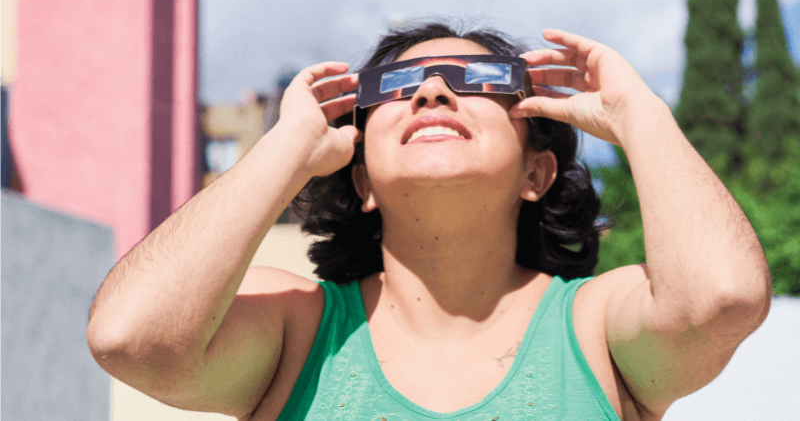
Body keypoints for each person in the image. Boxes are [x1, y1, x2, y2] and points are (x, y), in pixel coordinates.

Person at [87, 21, 772, 420]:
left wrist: (640, 114)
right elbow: (131, 338)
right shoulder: (295, 331)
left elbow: (720, 300)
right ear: (363, 183)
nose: (434, 92)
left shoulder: (597, 325)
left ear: (536, 173)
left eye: (477, 82)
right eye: (395, 88)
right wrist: (282, 152)